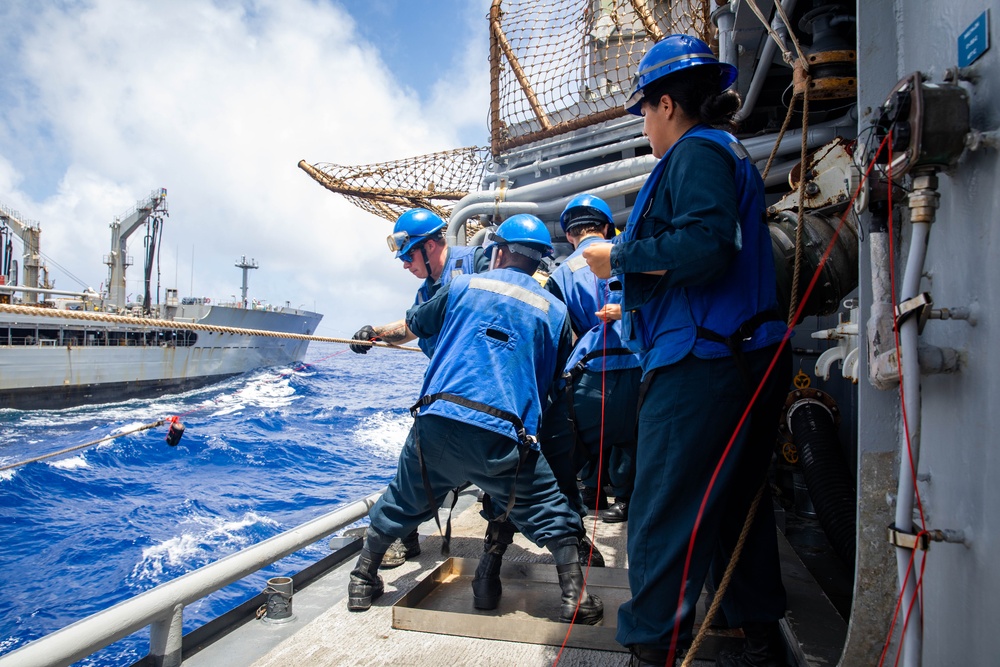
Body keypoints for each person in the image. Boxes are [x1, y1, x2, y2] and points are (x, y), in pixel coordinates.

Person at [582, 34, 792, 666]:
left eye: (643, 110)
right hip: (739, 354)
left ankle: (651, 651)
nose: (644, 123)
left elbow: (704, 247)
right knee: (730, 508)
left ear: (666, 104)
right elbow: (708, 261)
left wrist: (614, 256)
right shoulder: (721, 151)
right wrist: (636, 299)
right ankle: (756, 636)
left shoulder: (695, 154)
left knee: (662, 511)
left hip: (703, 367)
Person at [346, 214, 603, 626]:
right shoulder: (555, 311)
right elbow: (555, 378)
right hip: (505, 436)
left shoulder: (461, 285)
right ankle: (575, 598)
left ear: (497, 250)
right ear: (540, 261)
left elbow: (413, 325)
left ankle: (362, 580)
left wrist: (372, 334)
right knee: (549, 508)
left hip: (438, 421)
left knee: (401, 498)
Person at [349, 207, 488, 567]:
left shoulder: (479, 261)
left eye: (409, 255)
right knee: (420, 468)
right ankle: (404, 533)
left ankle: (569, 548)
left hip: (495, 393)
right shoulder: (425, 295)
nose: (406, 264)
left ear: (430, 246)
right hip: (449, 398)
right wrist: (375, 333)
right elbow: (411, 328)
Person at [544, 194, 641, 524]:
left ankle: (590, 491)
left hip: (589, 367)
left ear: (570, 235)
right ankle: (626, 500)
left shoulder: (559, 275)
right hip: (638, 360)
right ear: (606, 228)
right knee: (631, 435)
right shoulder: (629, 250)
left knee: (579, 435)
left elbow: (561, 334)